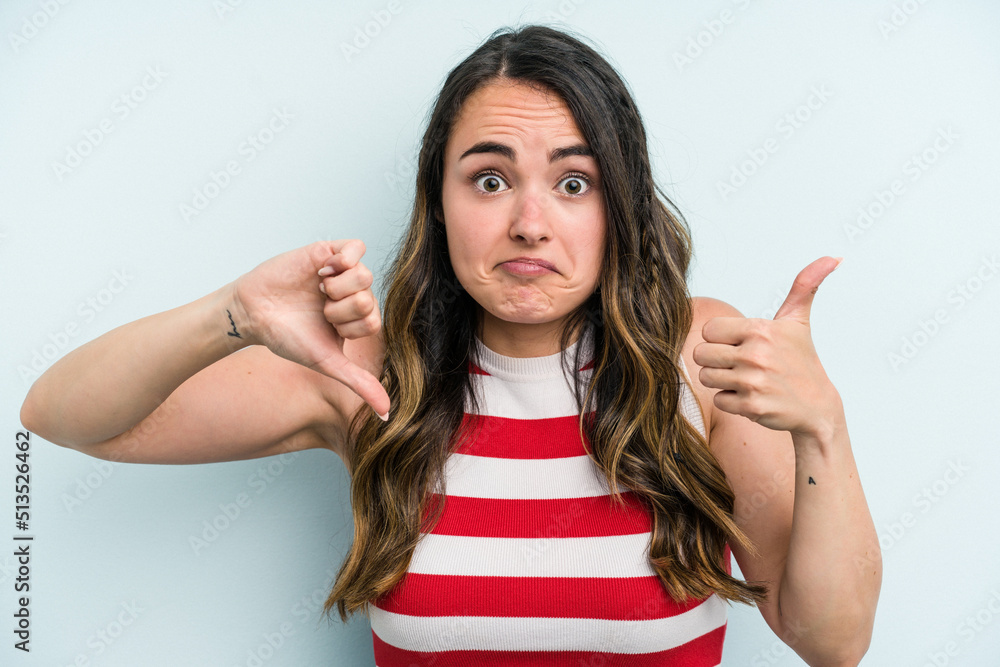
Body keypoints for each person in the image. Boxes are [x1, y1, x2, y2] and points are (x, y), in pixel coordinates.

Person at [20, 24, 880, 666]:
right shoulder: (367, 376)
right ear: (440, 203)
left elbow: (831, 640)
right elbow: (61, 415)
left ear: (618, 207)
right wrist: (229, 313)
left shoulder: (694, 357)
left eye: (573, 182)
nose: (529, 222)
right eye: (490, 178)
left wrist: (823, 430)